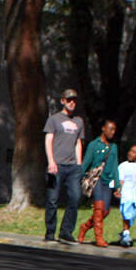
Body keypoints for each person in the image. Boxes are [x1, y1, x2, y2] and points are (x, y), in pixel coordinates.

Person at [43, 90, 85, 242]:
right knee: (53, 200)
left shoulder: (79, 121)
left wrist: (79, 164)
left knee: (74, 197)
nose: (72, 102)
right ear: (62, 101)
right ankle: (50, 232)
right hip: (57, 165)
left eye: (74, 99)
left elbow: (78, 143)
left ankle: (66, 231)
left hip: (73, 166)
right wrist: (51, 162)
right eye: (69, 100)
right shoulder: (54, 119)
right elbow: (48, 140)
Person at [78, 119, 119, 247]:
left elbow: (115, 167)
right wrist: (77, 178)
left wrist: (117, 185)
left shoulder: (113, 147)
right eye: (110, 129)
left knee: (105, 211)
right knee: (99, 207)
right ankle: (99, 238)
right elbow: (85, 163)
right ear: (103, 128)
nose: (112, 132)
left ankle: (84, 227)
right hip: (96, 179)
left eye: (114, 130)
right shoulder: (94, 145)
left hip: (107, 180)